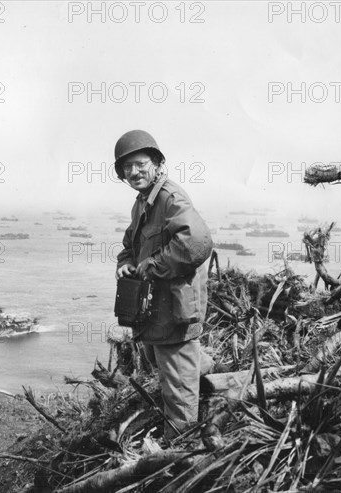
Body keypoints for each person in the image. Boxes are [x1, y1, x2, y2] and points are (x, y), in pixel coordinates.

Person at [114, 129, 213, 441]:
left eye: (140, 164)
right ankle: (219, 384)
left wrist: (151, 267)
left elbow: (197, 243)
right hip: (158, 310)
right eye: (127, 168)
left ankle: (181, 443)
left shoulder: (170, 198)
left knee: (178, 388)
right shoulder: (143, 202)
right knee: (168, 365)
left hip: (174, 310)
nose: (133, 173)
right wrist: (126, 262)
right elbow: (130, 244)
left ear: (156, 163)